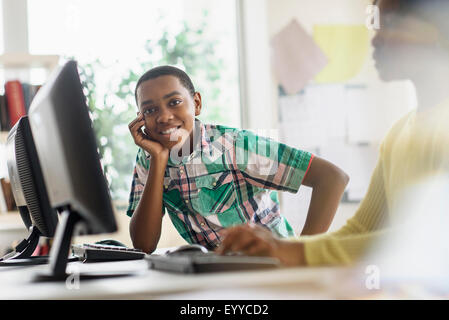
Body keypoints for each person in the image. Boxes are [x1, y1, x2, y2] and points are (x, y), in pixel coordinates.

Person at [216, 0, 449, 266]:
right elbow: (361, 232)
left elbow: (433, 236)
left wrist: (293, 252)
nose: (374, 41)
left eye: (392, 25)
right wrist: (276, 247)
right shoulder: (399, 133)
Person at [127, 66, 349, 253]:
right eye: (150, 110)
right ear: (140, 119)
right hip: (221, 275)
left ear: (196, 103)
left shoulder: (236, 146)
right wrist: (158, 160)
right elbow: (143, 244)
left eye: (174, 102)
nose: (163, 116)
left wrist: (303, 253)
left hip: (274, 267)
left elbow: (333, 178)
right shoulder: (149, 157)